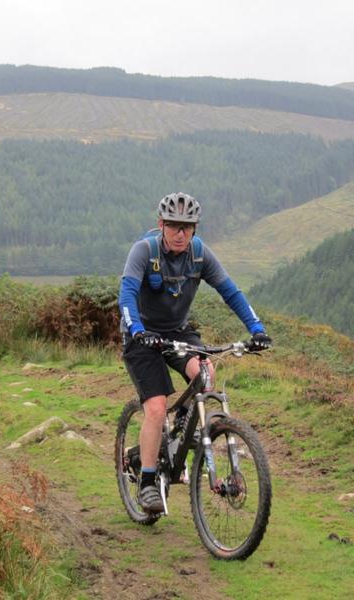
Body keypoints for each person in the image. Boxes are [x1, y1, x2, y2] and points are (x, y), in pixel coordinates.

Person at [118, 192, 272, 513]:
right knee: (157, 408)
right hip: (142, 335)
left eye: (187, 227)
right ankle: (147, 482)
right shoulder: (144, 251)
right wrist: (137, 331)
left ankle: (185, 428)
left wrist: (256, 329)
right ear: (161, 224)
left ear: (195, 229)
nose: (180, 233)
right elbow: (127, 295)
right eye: (174, 226)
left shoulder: (200, 255)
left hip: (177, 331)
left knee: (205, 375)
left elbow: (231, 292)